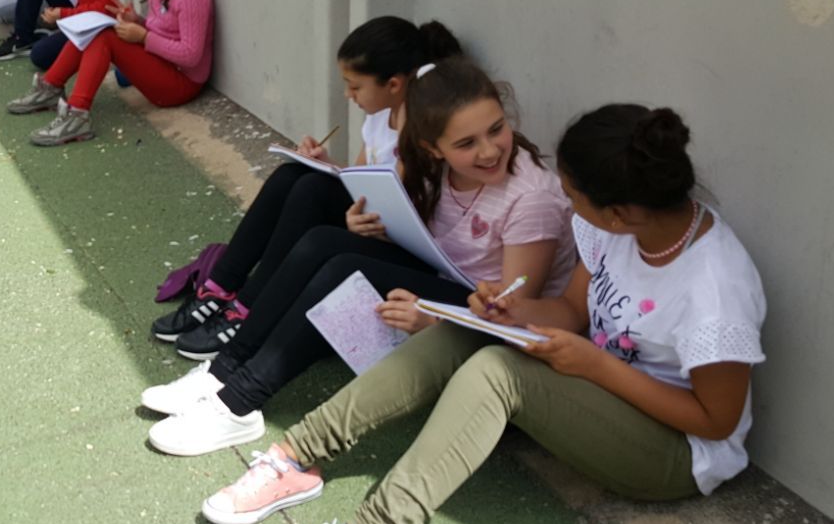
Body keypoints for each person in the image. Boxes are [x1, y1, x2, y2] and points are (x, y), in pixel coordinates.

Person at [207, 104, 765, 524]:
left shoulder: (714, 288)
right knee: (465, 329)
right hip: (601, 388)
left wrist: (594, 365)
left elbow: (715, 422)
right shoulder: (619, 230)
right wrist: (508, 312)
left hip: (674, 452)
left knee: (499, 372)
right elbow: (572, 311)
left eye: (573, 197)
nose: (567, 205)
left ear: (618, 212)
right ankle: (298, 455)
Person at [144, 57, 578, 456]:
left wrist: (434, 320)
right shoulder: (435, 166)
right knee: (323, 240)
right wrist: (371, 225)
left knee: (343, 268)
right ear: (433, 148)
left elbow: (510, 312)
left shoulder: (532, 199)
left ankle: (240, 403)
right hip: (446, 277)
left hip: (480, 314)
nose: (489, 150)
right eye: (467, 143)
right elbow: (432, 234)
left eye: (496, 129)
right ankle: (224, 370)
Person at [149, 18, 463, 352]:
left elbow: (406, 208)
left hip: (401, 245)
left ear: (394, 84)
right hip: (371, 223)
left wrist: (354, 216)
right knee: (291, 176)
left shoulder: (420, 126)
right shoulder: (380, 114)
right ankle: (219, 287)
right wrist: (326, 163)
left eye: (355, 87)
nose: (348, 95)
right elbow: (360, 178)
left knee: (311, 190)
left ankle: (248, 309)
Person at [6, 0, 212, 146]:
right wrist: (138, 21)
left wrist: (144, 36)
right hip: (164, 66)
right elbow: (167, 31)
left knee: (104, 36)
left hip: (182, 84)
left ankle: (76, 114)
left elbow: (190, 55)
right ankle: (51, 87)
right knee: (97, 29)